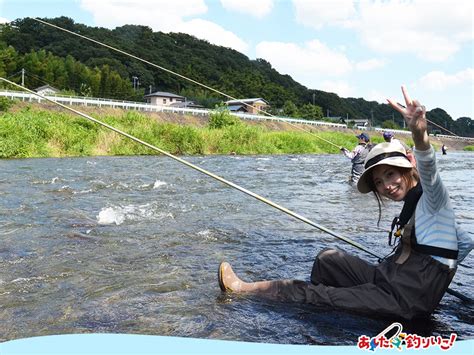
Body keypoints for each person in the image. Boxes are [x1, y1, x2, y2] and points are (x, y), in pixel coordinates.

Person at [217, 86, 472, 320]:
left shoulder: (432, 198)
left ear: (409, 165)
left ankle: (242, 290)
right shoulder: (411, 201)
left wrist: (418, 132)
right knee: (328, 259)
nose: (386, 186)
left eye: (391, 174)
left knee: (313, 294)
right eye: (379, 182)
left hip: (403, 300)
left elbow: (429, 166)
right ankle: (333, 309)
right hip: (388, 278)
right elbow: (465, 241)